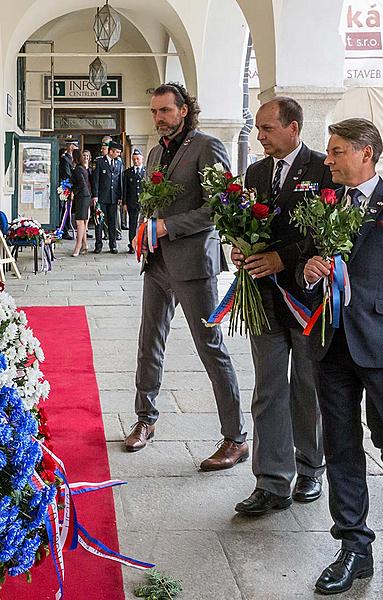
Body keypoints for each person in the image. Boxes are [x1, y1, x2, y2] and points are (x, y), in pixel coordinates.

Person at [300, 118, 383, 595]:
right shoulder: (321, 204)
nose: (329, 159)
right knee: (339, 444)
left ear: (366, 154)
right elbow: (307, 268)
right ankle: (354, 545)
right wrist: (310, 269)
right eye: (329, 151)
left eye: (337, 151)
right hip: (331, 344)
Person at [124, 82, 248, 471]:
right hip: (157, 263)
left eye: (165, 111)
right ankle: (146, 419)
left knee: (210, 348)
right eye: (154, 112)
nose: (158, 118)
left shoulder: (208, 146)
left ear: (183, 110)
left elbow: (219, 206)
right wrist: (144, 231)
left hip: (195, 265)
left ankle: (235, 438)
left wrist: (167, 228)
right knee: (150, 341)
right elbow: (151, 202)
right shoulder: (157, 152)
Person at [230, 97, 335, 518]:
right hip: (265, 300)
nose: (260, 137)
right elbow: (245, 224)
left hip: (306, 298)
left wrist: (283, 259)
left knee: (308, 386)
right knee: (269, 387)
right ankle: (271, 480)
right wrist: (241, 250)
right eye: (258, 129)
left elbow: (326, 235)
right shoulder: (255, 172)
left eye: (267, 129)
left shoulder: (323, 169)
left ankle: (310, 468)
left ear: (294, 128)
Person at [93, 140, 124, 254]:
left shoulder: (119, 163)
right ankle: (98, 245)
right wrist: (95, 196)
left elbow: (119, 180)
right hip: (101, 197)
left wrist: (120, 196)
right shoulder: (100, 161)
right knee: (99, 222)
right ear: (111, 151)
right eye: (117, 152)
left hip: (113, 198)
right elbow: (96, 180)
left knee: (112, 222)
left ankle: (113, 245)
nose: (118, 154)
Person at [122, 147, 145, 254]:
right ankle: (131, 245)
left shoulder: (146, 172)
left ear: (142, 159)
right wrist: (124, 203)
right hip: (131, 202)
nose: (136, 161)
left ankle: (142, 244)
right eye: (134, 159)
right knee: (132, 224)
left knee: (143, 225)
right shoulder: (128, 172)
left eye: (138, 159)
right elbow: (125, 189)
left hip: (143, 203)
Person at [71, 148, 92, 257]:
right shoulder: (81, 168)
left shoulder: (78, 169)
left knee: (79, 222)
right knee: (83, 222)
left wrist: (73, 192)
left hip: (82, 197)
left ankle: (78, 246)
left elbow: (82, 184)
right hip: (85, 196)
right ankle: (84, 244)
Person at [58, 136, 78, 240]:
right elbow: (67, 174)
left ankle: (65, 229)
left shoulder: (71, 158)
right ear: (70, 146)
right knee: (64, 209)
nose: (76, 148)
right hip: (65, 187)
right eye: (74, 146)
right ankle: (63, 230)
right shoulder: (65, 159)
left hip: (69, 187)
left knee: (67, 209)